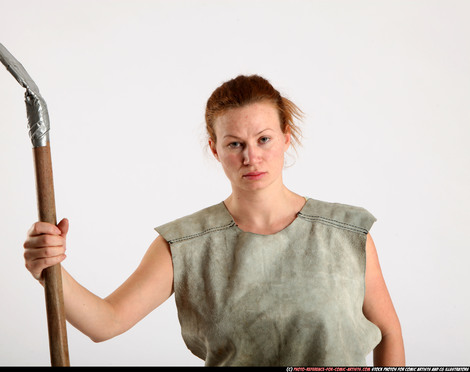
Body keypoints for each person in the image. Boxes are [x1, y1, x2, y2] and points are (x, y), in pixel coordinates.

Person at [23, 74, 405, 366]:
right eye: (234, 143)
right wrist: (50, 270)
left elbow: (388, 332)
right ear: (215, 148)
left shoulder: (347, 234)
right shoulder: (185, 245)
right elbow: (104, 323)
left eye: (264, 139)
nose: (250, 157)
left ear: (287, 138)